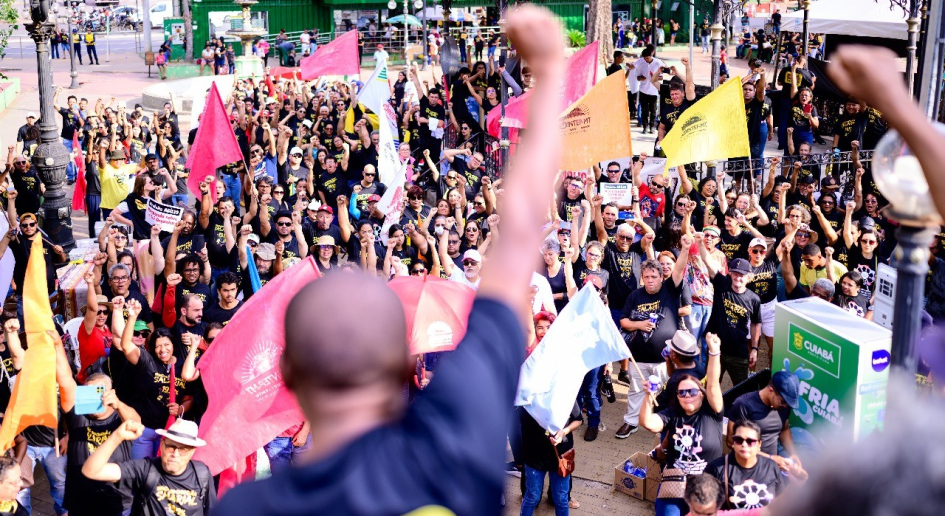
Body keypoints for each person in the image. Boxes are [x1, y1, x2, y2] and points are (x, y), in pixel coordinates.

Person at [214, 7, 566, 513]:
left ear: (289, 373)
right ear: (403, 362)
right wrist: (550, 75)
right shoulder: (457, 438)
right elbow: (514, 255)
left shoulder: (247, 509)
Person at [53, 328, 140, 516]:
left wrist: (117, 404)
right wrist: (57, 344)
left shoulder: (120, 416)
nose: (95, 397)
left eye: (99, 391)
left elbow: (136, 423)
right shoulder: (79, 415)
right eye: (89, 392)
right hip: (81, 500)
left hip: (117, 500)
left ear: (110, 392)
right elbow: (65, 379)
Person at [640, 332, 724, 516]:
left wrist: (714, 351)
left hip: (706, 485)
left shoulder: (713, 412)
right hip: (675, 484)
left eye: (692, 392)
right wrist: (647, 396)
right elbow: (648, 422)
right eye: (682, 393)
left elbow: (713, 384)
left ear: (702, 393)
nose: (687, 396)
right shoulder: (673, 413)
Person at [616, 235, 690, 439]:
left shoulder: (670, 290)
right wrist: (639, 324)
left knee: (668, 392)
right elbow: (623, 321)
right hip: (638, 358)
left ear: (660, 277)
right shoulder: (635, 295)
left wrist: (684, 249)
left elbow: (679, 269)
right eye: (646, 277)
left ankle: (666, 423)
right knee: (636, 391)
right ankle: (631, 422)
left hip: (665, 359)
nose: (649, 281)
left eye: (653, 277)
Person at [82, 418, 215, 516]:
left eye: (183, 449)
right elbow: (92, 471)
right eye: (171, 447)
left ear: (192, 451)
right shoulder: (145, 469)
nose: (175, 454)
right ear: (162, 445)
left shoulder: (201, 474)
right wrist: (117, 437)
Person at [697, 250, 761, 387]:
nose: (738, 278)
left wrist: (755, 348)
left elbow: (756, 323)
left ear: (749, 277)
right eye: (735, 274)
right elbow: (708, 262)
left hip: (738, 352)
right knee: (709, 386)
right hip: (716, 349)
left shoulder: (754, 299)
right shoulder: (722, 285)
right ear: (730, 274)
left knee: (741, 389)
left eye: (742, 275)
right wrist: (700, 243)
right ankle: (711, 409)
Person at [726, 371, 803, 472]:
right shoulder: (743, 405)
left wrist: (793, 454)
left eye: (788, 404)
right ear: (771, 390)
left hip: (770, 470)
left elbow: (784, 429)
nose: (785, 406)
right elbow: (730, 442)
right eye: (783, 402)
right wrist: (770, 458)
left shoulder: (784, 406)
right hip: (746, 469)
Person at [519, 403, 582, 515]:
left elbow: (578, 419)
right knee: (532, 497)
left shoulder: (566, 394)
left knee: (561, 498)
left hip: (561, 456)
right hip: (535, 455)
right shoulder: (531, 395)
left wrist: (564, 431)